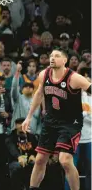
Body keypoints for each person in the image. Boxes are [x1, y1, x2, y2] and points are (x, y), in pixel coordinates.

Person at [22, 49, 92, 190]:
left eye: (57, 56)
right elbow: (39, 94)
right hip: (51, 121)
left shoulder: (74, 78)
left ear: (64, 60)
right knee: (40, 159)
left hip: (70, 124)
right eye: (51, 55)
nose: (52, 58)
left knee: (65, 160)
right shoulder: (44, 74)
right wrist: (28, 117)